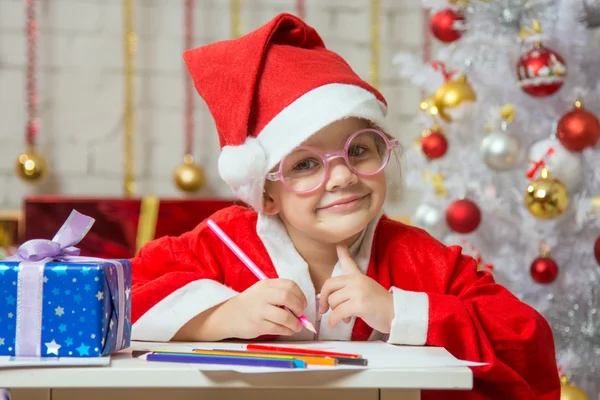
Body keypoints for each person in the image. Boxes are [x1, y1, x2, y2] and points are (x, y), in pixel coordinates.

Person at [130, 13, 560, 399]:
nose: (342, 176)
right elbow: (117, 303)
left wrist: (399, 312)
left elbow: (527, 341)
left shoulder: (421, 260)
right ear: (265, 195)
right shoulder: (219, 244)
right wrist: (222, 317)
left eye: (359, 151)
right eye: (304, 164)